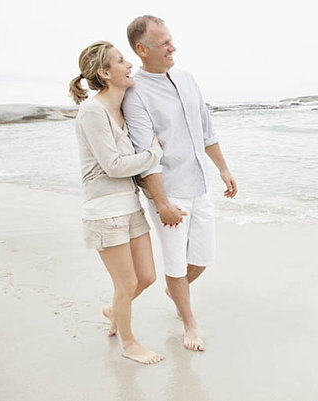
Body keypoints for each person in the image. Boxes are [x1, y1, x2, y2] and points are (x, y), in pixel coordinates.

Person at [122, 15, 238, 352]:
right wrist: (161, 203)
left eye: (171, 39)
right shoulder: (136, 94)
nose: (173, 47)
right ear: (142, 50)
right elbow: (147, 154)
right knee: (174, 262)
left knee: (203, 258)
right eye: (163, 44)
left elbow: (206, 129)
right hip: (169, 191)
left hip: (200, 185)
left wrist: (223, 169)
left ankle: (176, 290)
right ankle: (189, 323)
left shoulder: (186, 78)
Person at [69, 41, 171, 364]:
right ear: (104, 72)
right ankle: (129, 343)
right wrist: (153, 154)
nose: (129, 64)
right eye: (121, 60)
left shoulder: (123, 105)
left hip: (130, 205)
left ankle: (115, 309)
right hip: (105, 211)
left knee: (146, 277)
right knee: (126, 282)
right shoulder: (92, 111)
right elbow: (112, 165)